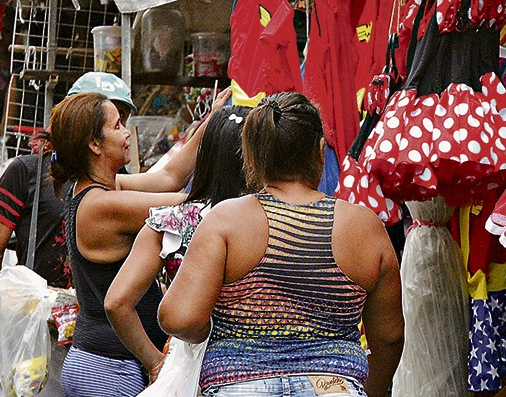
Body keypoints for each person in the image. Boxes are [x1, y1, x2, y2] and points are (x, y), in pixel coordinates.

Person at [159, 92, 404, 397]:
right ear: (319, 150)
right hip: (333, 386)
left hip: (239, 385)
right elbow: (390, 338)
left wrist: (216, 332)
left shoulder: (226, 221)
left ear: (252, 156)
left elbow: (179, 318)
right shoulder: (364, 227)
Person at [49, 87, 231, 397]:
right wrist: (156, 362)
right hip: (110, 370)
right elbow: (187, 206)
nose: (126, 133)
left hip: (99, 362)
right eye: (117, 126)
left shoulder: (97, 188)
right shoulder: (100, 206)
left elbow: (170, 176)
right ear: (95, 144)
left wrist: (212, 122)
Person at [0, 72, 138, 396]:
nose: (122, 131)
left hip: (96, 337)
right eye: (111, 120)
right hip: (38, 329)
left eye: (121, 118)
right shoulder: (26, 171)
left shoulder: (119, 180)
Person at [105, 105, 250, 380]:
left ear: (205, 157)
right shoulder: (275, 220)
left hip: (187, 369)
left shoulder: (169, 223)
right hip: (260, 370)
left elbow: (116, 303)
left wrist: (155, 362)